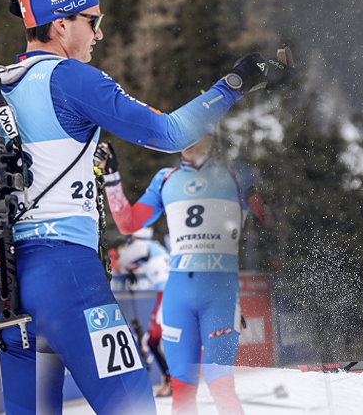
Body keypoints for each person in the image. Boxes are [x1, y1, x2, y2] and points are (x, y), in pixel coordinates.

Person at [0, 0, 287, 415]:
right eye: (93, 21)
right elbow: (169, 134)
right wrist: (236, 83)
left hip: (7, 284)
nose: (99, 34)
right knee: (132, 407)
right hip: (68, 279)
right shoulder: (72, 78)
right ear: (61, 23)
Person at [95, 134, 276, 415]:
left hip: (219, 296)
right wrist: (111, 177)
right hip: (177, 297)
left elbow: (272, 219)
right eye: (184, 133)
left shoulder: (234, 173)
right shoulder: (165, 179)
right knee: (182, 391)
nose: (189, 141)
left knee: (219, 382)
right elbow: (128, 223)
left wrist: (263, 194)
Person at [109, 228, 173, 397]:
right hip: (174, 291)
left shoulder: (140, 245)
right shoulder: (155, 245)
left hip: (167, 294)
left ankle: (170, 381)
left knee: (153, 339)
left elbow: (119, 265)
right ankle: (174, 380)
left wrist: (123, 264)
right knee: (167, 339)